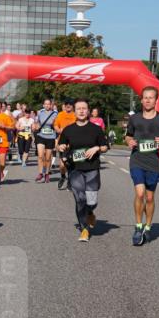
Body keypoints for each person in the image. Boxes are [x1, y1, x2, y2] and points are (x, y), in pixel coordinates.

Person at [125, 86, 159, 246]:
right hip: (137, 160)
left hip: (153, 162)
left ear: (156, 100)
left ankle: (148, 225)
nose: (147, 100)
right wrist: (129, 141)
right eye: (145, 97)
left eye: (151, 97)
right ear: (141, 100)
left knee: (150, 197)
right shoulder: (135, 118)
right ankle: (138, 226)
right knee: (140, 194)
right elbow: (128, 136)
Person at [57, 98, 109, 241]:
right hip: (75, 169)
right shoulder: (68, 130)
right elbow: (61, 145)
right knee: (80, 200)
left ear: (88, 111)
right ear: (74, 111)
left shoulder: (96, 129)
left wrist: (97, 147)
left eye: (84, 108)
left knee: (91, 201)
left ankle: (90, 212)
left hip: (92, 168)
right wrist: (61, 147)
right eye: (78, 108)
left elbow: (105, 146)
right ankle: (84, 229)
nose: (81, 111)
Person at [33, 98, 59, 183]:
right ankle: (40, 173)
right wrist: (35, 126)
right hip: (41, 136)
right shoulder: (40, 113)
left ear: (51, 105)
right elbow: (37, 123)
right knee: (40, 155)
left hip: (51, 137)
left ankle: (47, 173)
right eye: (45, 104)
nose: (47, 105)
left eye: (49, 104)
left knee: (48, 158)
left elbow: (57, 124)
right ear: (43, 105)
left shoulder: (55, 114)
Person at [53, 100, 77, 190]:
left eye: (70, 104)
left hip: (73, 142)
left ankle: (70, 182)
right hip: (62, 142)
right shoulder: (60, 114)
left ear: (73, 106)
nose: (68, 106)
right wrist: (58, 130)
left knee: (72, 163)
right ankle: (63, 176)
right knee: (62, 165)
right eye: (66, 104)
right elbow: (55, 125)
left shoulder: (75, 115)